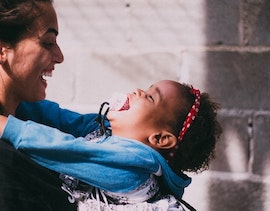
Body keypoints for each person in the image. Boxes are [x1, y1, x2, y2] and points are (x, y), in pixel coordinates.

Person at [0, 80, 222, 210]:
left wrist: (5, 126)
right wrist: (17, 99)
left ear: (159, 139)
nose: (137, 92)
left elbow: (68, 151)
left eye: (150, 98)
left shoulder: (132, 171)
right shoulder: (103, 128)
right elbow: (59, 118)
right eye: (146, 88)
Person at [0, 0, 98, 210]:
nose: (60, 57)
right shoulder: (4, 162)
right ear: (2, 50)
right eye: (48, 42)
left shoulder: (37, 115)